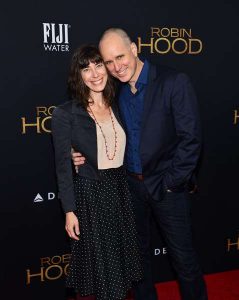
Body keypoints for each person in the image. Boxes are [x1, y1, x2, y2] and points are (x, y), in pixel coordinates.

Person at [72, 28, 208, 300]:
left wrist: (171, 183)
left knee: (184, 261)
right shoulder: (116, 92)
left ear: (134, 48)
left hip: (167, 188)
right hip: (131, 188)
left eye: (120, 57)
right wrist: (81, 154)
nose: (115, 67)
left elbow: (191, 140)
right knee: (138, 261)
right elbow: (109, 136)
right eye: (108, 62)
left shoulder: (173, 82)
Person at [51, 45, 142, 300]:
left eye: (98, 65)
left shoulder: (120, 103)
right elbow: (61, 167)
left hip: (121, 193)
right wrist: (69, 211)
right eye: (86, 68)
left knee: (122, 273)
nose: (94, 73)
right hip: (91, 196)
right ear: (77, 75)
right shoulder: (65, 113)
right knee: (105, 274)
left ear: (107, 67)